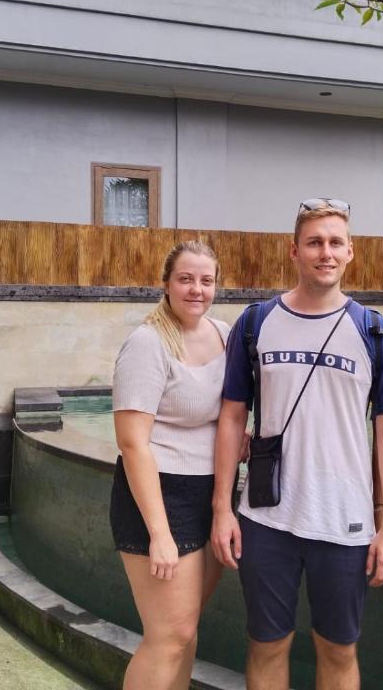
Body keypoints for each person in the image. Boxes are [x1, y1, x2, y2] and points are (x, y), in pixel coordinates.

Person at [211, 199, 383, 690]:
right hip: (267, 518)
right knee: (266, 644)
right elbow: (232, 416)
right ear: (294, 251)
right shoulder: (256, 323)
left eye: (334, 243)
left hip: (344, 520)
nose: (325, 252)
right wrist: (222, 509)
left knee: (338, 649)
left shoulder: (375, 332)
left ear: (350, 252)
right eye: (314, 242)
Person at [110, 240, 229, 690]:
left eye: (206, 280)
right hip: (159, 497)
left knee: (185, 631)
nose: (197, 289)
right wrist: (160, 534)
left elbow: (228, 413)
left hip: (209, 494)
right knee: (168, 636)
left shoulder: (224, 334)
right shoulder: (148, 343)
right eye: (185, 279)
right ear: (166, 283)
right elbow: (132, 443)